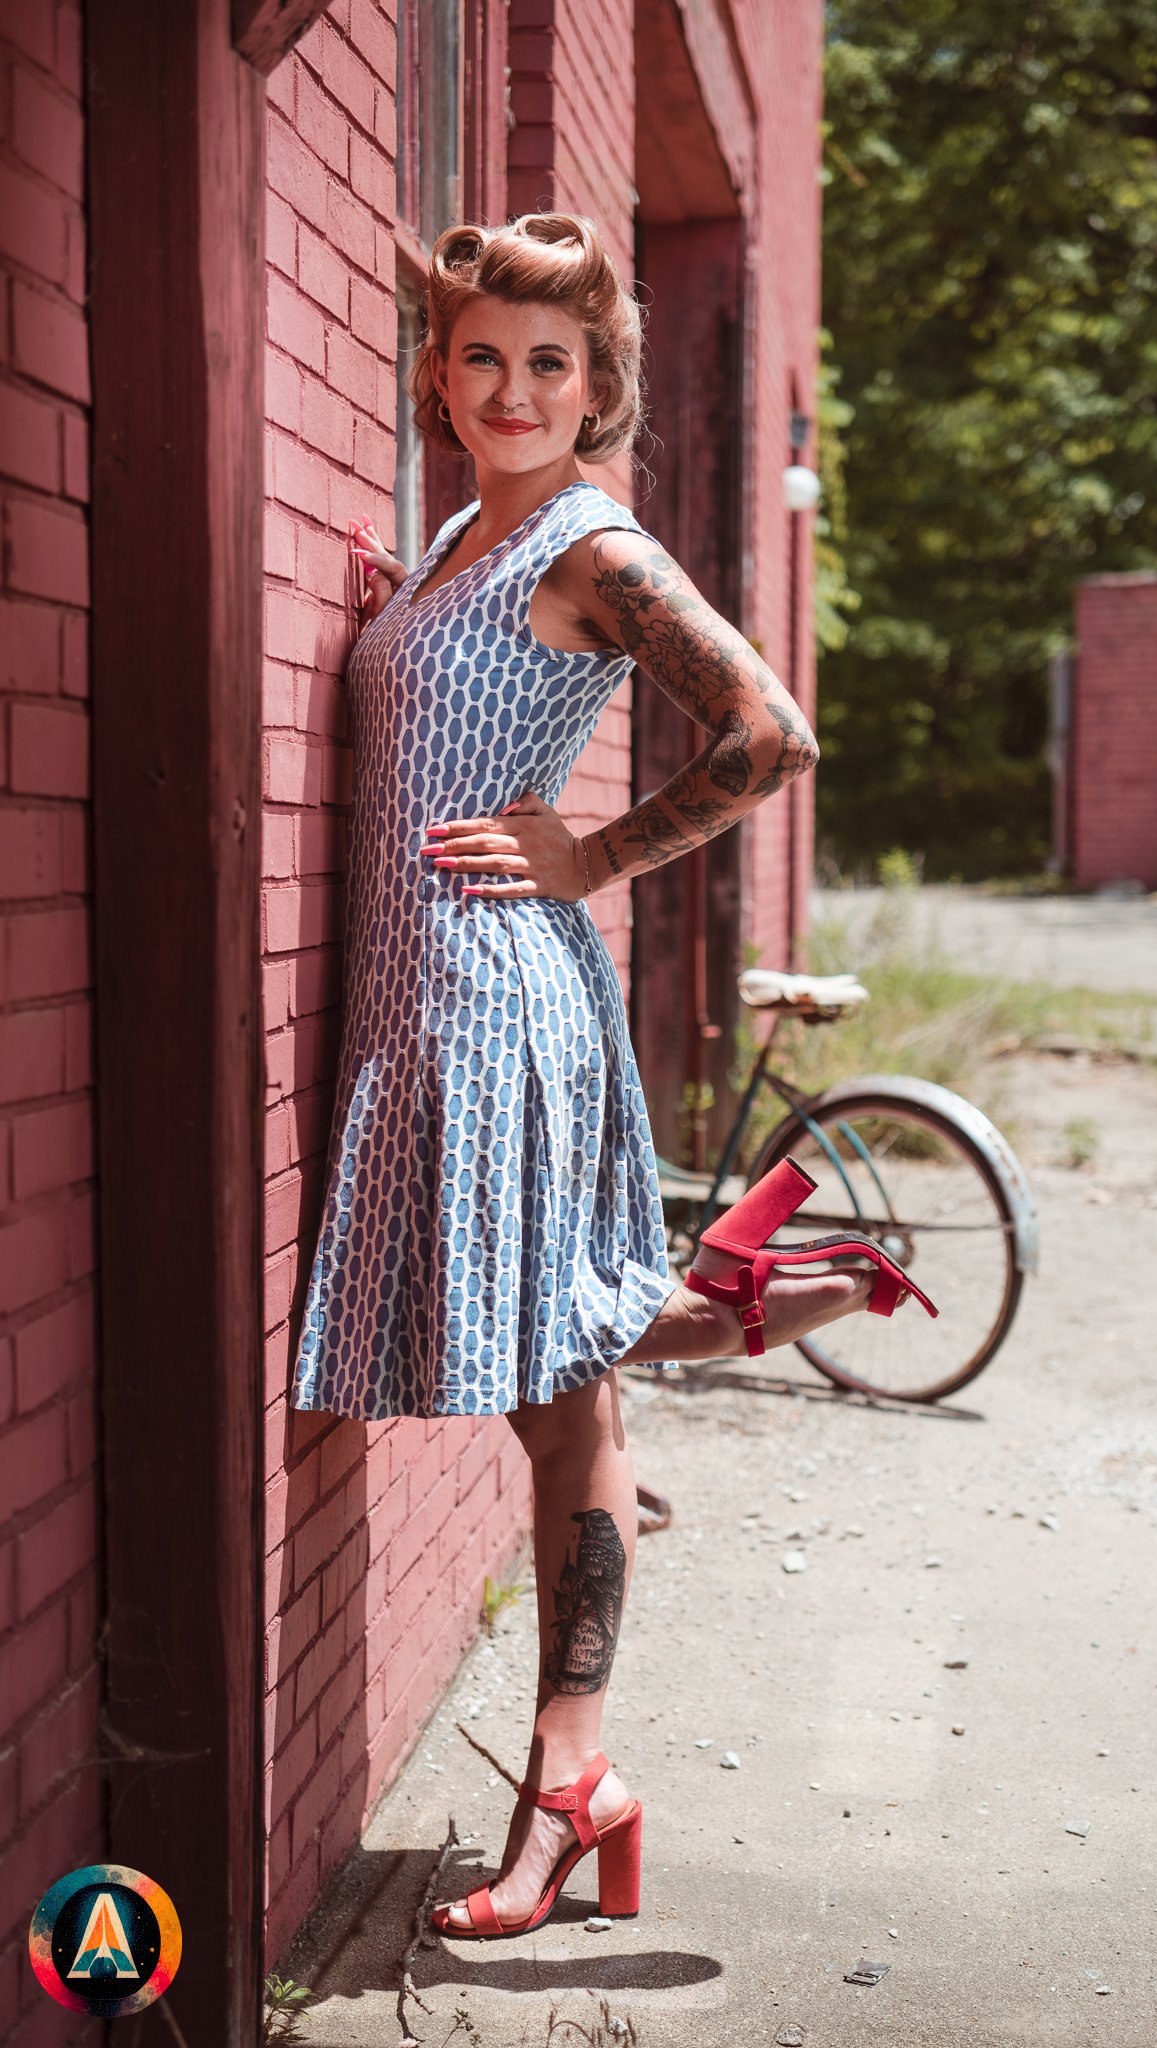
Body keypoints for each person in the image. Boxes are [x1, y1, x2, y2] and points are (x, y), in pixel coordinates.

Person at [288, 213, 927, 1940]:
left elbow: (769, 732)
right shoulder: (460, 540)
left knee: (558, 1403)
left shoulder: (589, 540)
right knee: (533, 1348)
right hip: (424, 997)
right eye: (481, 356)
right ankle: (749, 1302)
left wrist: (597, 855)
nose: (509, 387)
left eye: (547, 365)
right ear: (441, 374)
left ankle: (567, 1783)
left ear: (597, 391)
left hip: (496, 994)